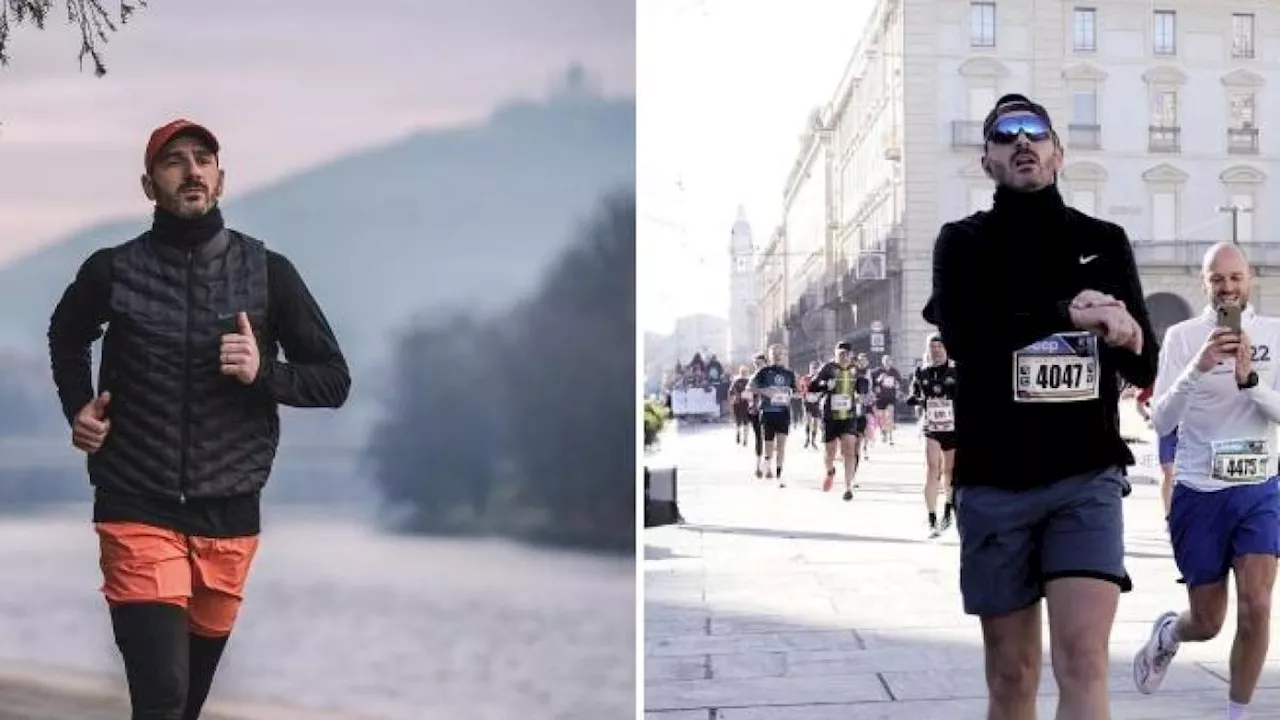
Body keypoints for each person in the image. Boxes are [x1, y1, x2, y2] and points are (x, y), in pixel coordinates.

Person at [47, 119, 351, 720]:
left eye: (203, 159)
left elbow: (333, 379)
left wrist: (265, 372)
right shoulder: (114, 270)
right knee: (161, 699)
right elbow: (66, 335)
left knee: (183, 707)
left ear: (220, 177)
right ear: (149, 184)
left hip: (230, 515)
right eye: (174, 161)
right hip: (136, 502)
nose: (191, 170)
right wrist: (78, 407)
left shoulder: (269, 273)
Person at [923, 93, 1158, 719]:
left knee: (1083, 661)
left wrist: (1128, 331)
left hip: (1086, 476)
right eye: (1005, 134)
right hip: (996, 481)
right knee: (1012, 674)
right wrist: (1067, 313)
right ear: (987, 161)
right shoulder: (962, 244)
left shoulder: (1103, 241)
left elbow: (1146, 365)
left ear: (1058, 153)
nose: (1021, 140)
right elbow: (968, 335)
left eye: (1035, 131)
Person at [1132, 243, 1280, 720]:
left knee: (1257, 606)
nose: (1227, 288)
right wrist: (1198, 367)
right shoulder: (1181, 337)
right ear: (1205, 284)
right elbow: (1161, 421)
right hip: (1199, 492)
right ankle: (1170, 634)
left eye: (1235, 278)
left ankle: (1237, 714)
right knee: (1209, 621)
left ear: (1249, 280)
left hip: (1259, 487)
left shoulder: (1274, 335)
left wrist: (1251, 381)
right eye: (1218, 279)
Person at [906, 334, 958, 538]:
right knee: (931, 469)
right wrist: (917, 399)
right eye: (932, 346)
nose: (936, 350)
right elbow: (913, 394)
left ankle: (947, 508)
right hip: (932, 426)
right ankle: (931, 517)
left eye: (939, 346)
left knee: (949, 471)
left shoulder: (956, 370)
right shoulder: (922, 371)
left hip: (953, 427)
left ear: (946, 348)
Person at [810, 342, 868, 501]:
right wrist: (824, 384)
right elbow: (812, 386)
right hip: (830, 416)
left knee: (849, 449)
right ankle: (830, 471)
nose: (843, 357)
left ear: (850, 355)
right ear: (835, 354)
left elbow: (862, 385)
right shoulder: (827, 368)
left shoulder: (855, 369)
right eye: (840, 353)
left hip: (848, 415)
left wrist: (862, 393)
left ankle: (848, 486)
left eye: (846, 354)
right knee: (830, 452)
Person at [748, 344, 797, 486]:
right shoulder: (763, 371)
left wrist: (790, 394)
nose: (777, 355)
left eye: (780, 353)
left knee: (781, 446)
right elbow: (750, 387)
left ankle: (779, 476)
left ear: (784, 355)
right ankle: (767, 465)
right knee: (769, 446)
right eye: (774, 353)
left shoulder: (789, 373)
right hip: (768, 413)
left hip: (783, 413)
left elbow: (796, 391)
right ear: (769, 356)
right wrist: (765, 392)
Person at [1137, 383, 1178, 517]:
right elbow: (1139, 401)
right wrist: (1147, 417)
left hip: (1186, 432)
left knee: (1182, 475)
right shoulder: (1159, 381)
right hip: (1166, 433)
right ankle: (1168, 513)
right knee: (1168, 473)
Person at [870, 355, 903, 445]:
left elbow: (899, 383)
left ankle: (890, 436)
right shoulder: (877, 371)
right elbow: (871, 381)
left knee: (889, 414)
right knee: (881, 417)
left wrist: (897, 385)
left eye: (889, 360)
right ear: (882, 361)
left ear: (891, 362)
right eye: (886, 360)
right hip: (880, 397)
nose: (888, 362)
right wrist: (876, 385)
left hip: (890, 396)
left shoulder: (894, 371)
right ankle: (883, 432)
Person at [802, 360, 823, 450]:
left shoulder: (820, 379)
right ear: (809, 368)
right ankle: (807, 438)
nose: (814, 370)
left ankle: (813, 440)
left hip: (816, 402)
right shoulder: (805, 378)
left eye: (815, 368)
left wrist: (818, 395)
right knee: (808, 420)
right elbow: (802, 388)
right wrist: (805, 395)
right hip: (807, 401)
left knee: (815, 422)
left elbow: (823, 390)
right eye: (812, 368)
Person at [729, 365, 752, 446]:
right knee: (746, 422)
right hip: (746, 403)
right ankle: (745, 438)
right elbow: (753, 393)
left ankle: (738, 432)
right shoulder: (750, 381)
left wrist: (735, 397)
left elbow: (731, 392)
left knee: (738, 421)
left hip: (737, 402)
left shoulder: (736, 381)